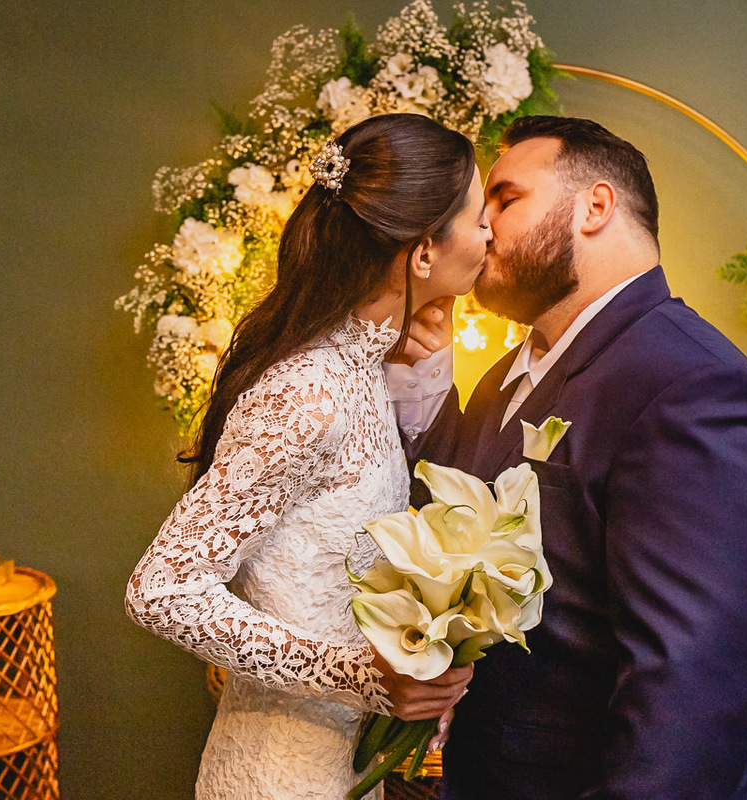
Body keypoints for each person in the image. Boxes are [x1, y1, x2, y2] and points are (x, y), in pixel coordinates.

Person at [394, 116, 747, 799]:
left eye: (504, 198)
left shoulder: (695, 388)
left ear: (595, 206)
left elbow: (690, 695)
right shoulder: (505, 375)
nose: (483, 226)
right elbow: (438, 525)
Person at [125, 113, 491, 800]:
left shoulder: (360, 366)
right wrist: (358, 676)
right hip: (279, 776)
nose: (490, 233)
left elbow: (402, 481)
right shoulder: (308, 392)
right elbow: (161, 590)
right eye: (477, 218)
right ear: (421, 251)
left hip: (340, 768)